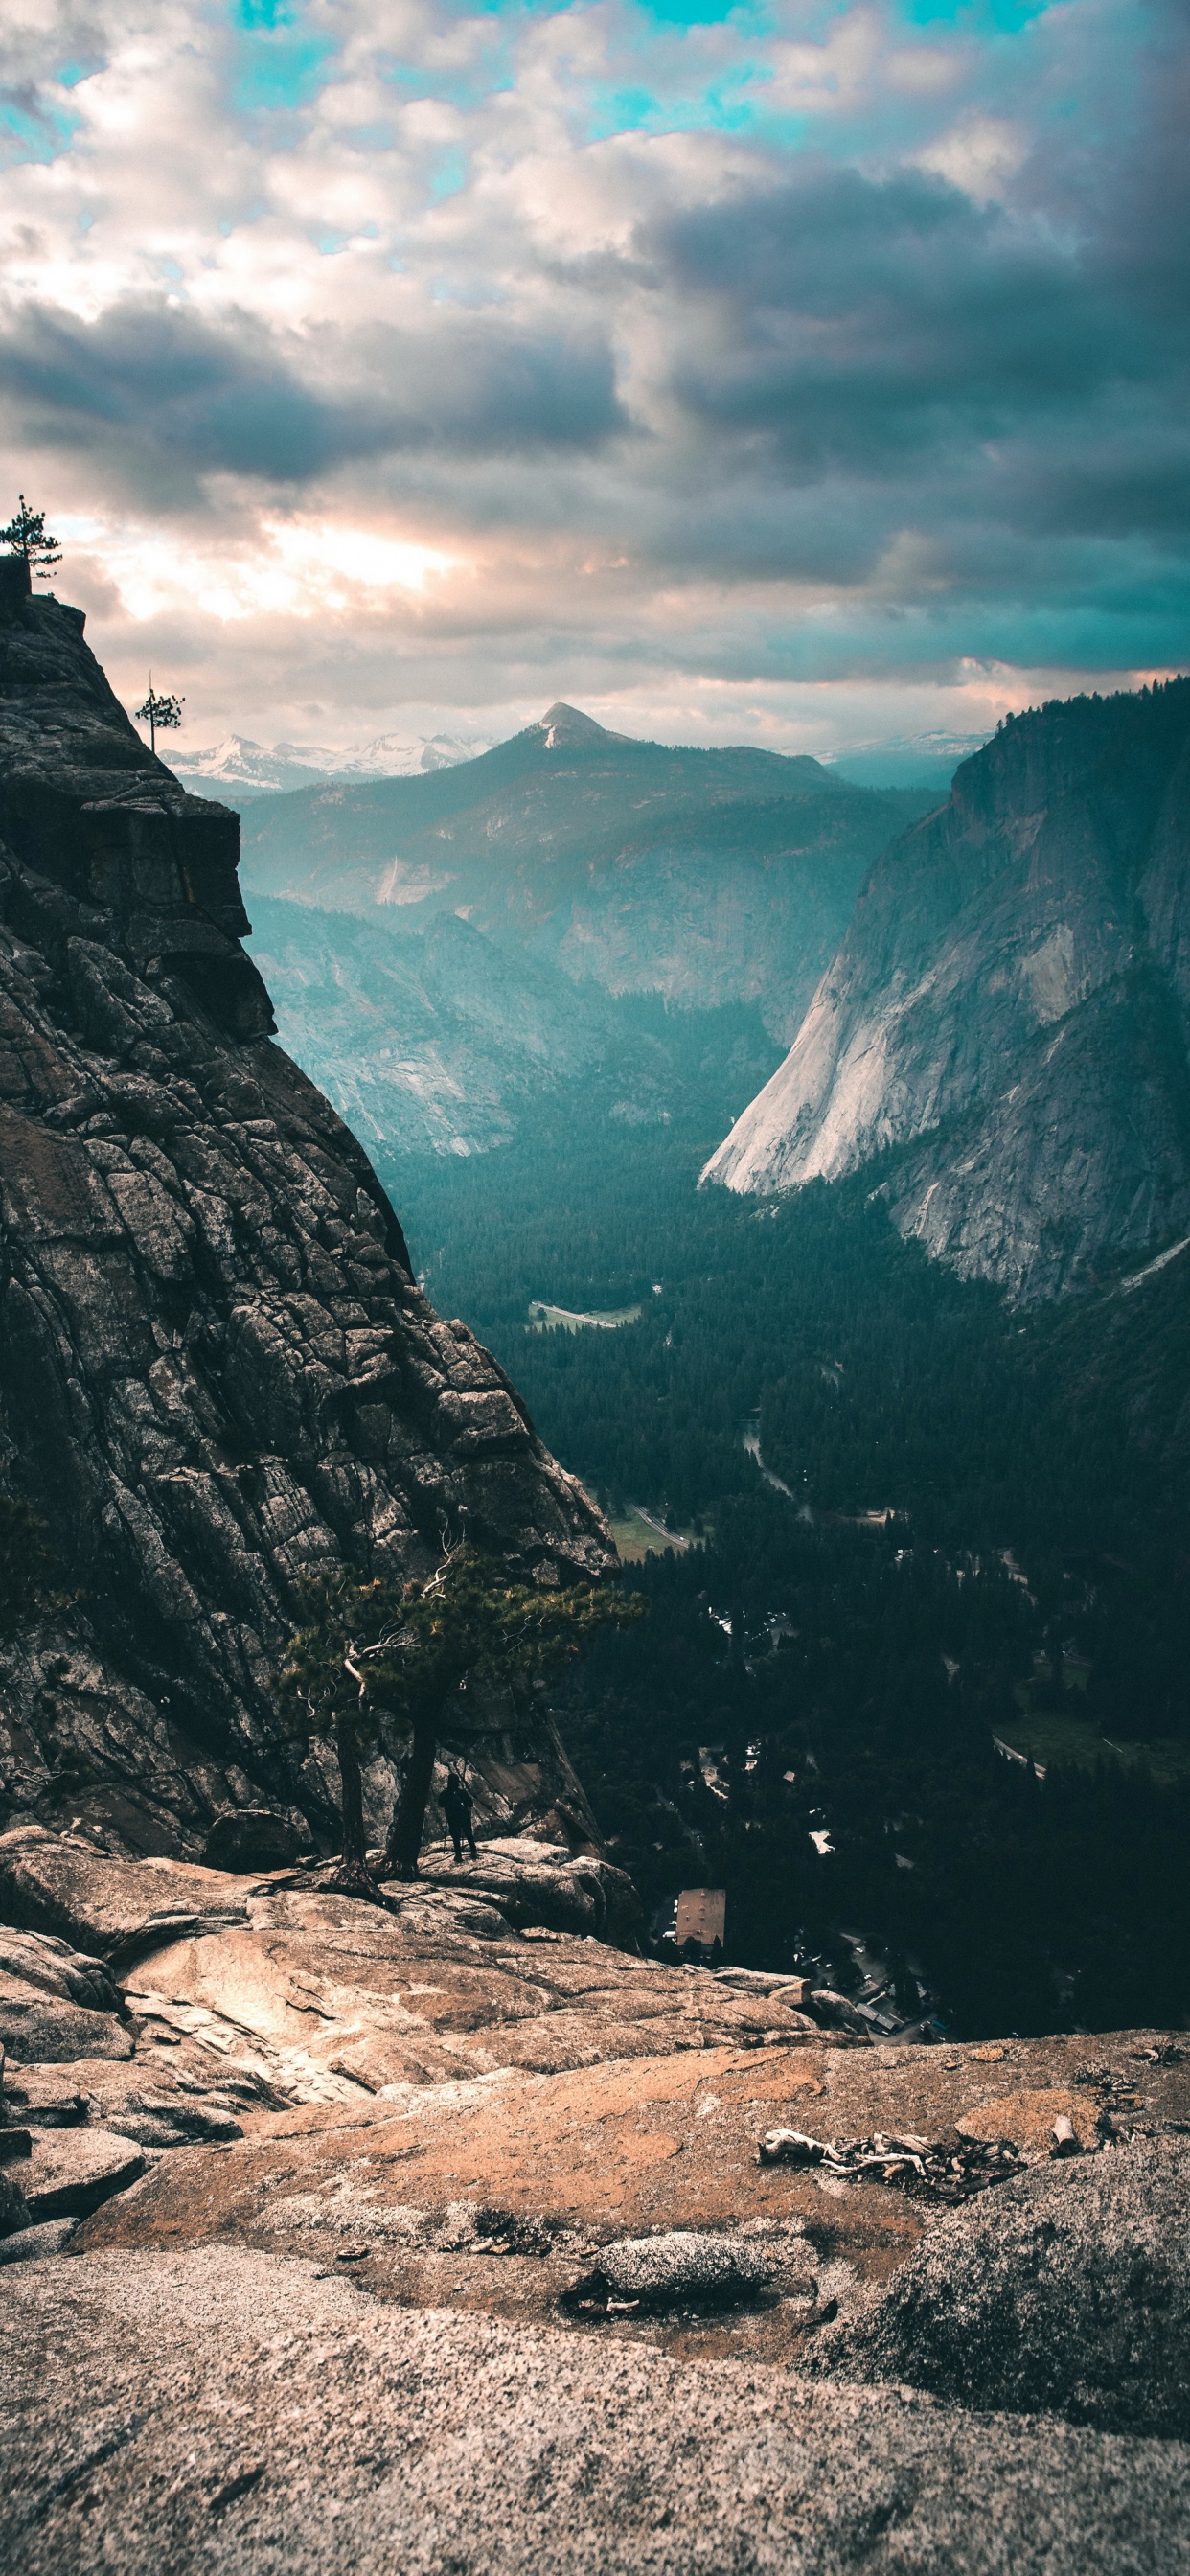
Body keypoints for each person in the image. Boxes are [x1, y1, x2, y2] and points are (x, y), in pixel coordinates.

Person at [442, 1767, 477, 1864]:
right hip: (464, 1816)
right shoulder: (462, 1792)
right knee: (468, 1833)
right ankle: (473, 1851)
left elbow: (440, 1804)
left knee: (456, 1836)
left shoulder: (445, 1793)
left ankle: (458, 1855)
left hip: (452, 1817)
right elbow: (470, 1803)